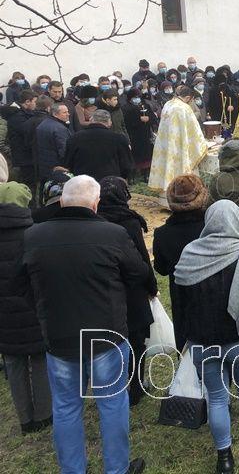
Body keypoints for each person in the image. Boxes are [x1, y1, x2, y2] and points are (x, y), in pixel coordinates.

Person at [21, 175, 148, 474]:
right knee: (111, 404)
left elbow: (20, 284)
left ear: (62, 202)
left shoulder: (34, 236)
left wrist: (45, 309)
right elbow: (139, 273)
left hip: (60, 335)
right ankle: (116, 469)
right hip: (105, 335)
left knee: (66, 407)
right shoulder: (113, 234)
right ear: (95, 204)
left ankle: (73, 470)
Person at [173, 200, 239, 473]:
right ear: (236, 220)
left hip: (202, 341)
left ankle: (224, 459)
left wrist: (182, 340)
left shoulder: (189, 254)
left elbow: (180, 300)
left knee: (216, 398)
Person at [97, 176, 158, 407]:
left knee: (110, 340)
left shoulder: (95, 220)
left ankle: (115, 383)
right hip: (132, 289)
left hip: (106, 289)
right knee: (136, 340)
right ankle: (136, 386)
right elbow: (142, 257)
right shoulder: (130, 222)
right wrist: (152, 286)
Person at [0, 181, 52, 434]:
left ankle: (25, 418)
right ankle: (44, 414)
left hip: (4, 315)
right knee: (40, 358)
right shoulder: (36, 233)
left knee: (13, 362)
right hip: (34, 308)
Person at [152, 174, 208, 351]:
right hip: (213, 292)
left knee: (186, 346)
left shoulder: (162, 234)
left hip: (181, 296)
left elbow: (161, 268)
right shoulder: (210, 226)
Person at [148, 86, 207, 200]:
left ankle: (165, 197)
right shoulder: (184, 108)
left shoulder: (168, 104)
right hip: (180, 146)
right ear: (188, 98)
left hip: (166, 145)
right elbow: (194, 131)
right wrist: (202, 144)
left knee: (168, 168)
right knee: (182, 170)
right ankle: (183, 197)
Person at [64, 109, 133, 182]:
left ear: (91, 120)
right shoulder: (119, 139)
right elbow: (127, 165)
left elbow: (68, 163)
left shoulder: (74, 138)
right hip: (110, 182)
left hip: (83, 182)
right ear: (109, 122)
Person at [35, 102, 72, 191]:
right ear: (55, 114)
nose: (68, 114)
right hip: (57, 166)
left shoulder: (42, 124)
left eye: (67, 111)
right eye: (64, 112)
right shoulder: (60, 129)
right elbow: (64, 150)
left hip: (44, 164)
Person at [122, 88, 156, 179]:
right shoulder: (126, 108)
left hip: (146, 134)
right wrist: (139, 119)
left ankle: (146, 173)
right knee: (134, 155)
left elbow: (153, 117)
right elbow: (126, 121)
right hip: (133, 135)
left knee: (147, 154)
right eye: (134, 97)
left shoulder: (145, 105)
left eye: (138, 97)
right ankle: (133, 174)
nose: (137, 99)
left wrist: (148, 119)